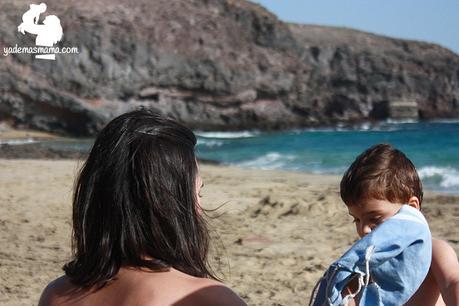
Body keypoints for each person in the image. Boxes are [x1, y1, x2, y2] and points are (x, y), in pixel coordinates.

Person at [38, 109, 247, 306]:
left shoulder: (57, 294)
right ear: (171, 204)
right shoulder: (207, 298)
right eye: (196, 194)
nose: (198, 208)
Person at [339, 143, 459, 305]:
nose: (364, 229)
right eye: (357, 220)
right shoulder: (367, 263)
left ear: (411, 208)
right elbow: (348, 296)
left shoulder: (434, 253)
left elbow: (452, 283)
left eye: (374, 218)